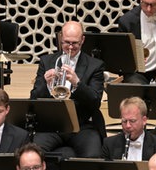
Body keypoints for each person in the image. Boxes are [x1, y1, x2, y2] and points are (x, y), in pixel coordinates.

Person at [30, 20, 106, 158]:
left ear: (82, 40)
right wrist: (46, 84)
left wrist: (77, 83)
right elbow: (34, 98)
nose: (70, 47)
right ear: (60, 38)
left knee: (93, 156)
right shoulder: (46, 61)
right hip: (52, 125)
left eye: (75, 43)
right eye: (66, 42)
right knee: (35, 155)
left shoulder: (95, 65)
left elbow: (95, 101)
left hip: (81, 126)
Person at [102, 96, 156, 160]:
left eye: (132, 121)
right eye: (124, 121)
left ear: (144, 120)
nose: (128, 126)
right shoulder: (109, 144)